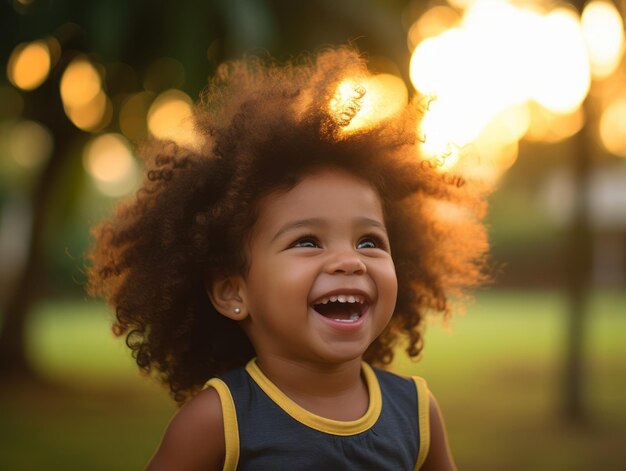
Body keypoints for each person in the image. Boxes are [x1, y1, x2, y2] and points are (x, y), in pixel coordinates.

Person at [87, 46, 489, 470]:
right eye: (308, 242)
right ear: (232, 291)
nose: (349, 261)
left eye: (369, 241)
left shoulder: (417, 413)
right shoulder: (219, 423)